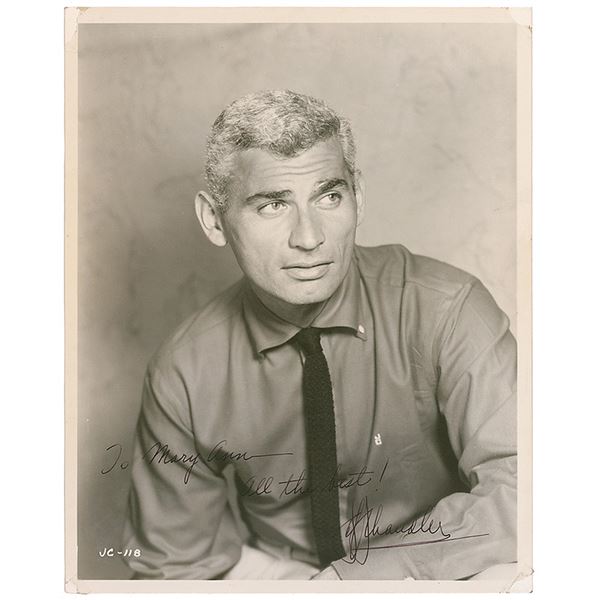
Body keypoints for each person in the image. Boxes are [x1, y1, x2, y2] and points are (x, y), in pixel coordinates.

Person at [121, 90, 517, 581]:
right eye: (272, 205)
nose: (309, 238)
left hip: (439, 562)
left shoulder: (448, 307)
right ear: (214, 220)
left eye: (329, 197)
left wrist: (358, 582)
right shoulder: (185, 368)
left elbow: (525, 489)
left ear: (358, 198)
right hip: (286, 577)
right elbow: (172, 566)